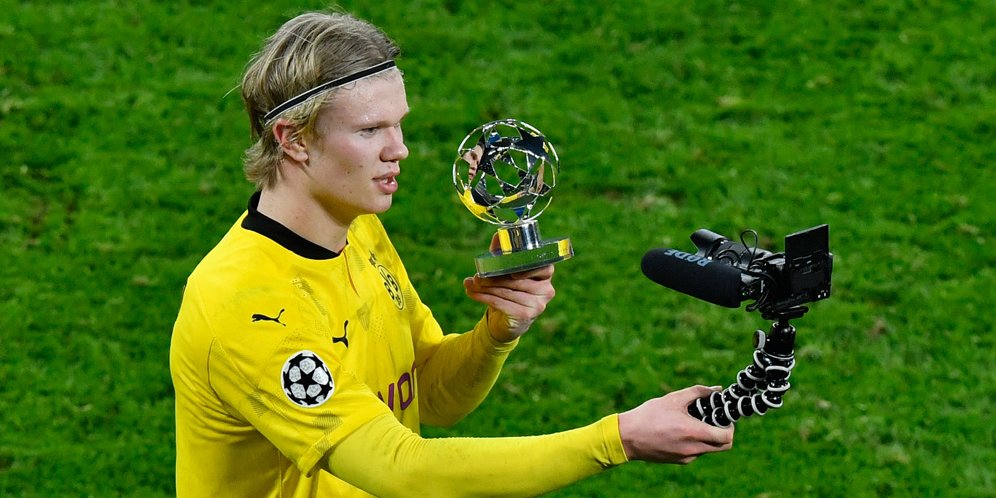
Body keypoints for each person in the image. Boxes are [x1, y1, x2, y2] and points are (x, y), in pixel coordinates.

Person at [170, 10, 734, 498]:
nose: (401, 150)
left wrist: (496, 333)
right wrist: (617, 439)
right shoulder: (245, 306)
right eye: (371, 130)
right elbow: (400, 469)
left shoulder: (357, 229)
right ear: (293, 139)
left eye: (399, 124)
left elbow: (429, 395)